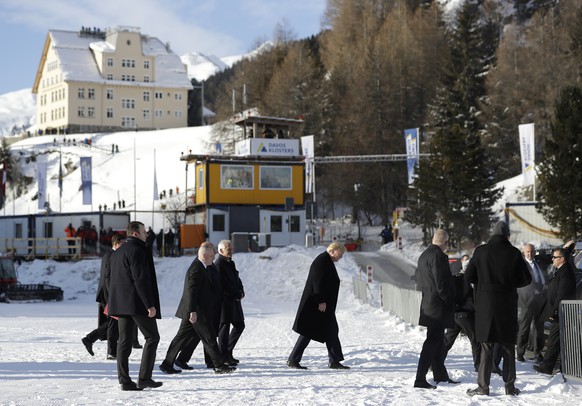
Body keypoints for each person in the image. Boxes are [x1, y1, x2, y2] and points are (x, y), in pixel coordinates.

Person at [465, 221, 531, 397]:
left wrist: (484, 284)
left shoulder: (481, 251)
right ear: (507, 235)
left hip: (486, 306)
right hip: (507, 305)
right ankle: (509, 387)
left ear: (491, 234)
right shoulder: (514, 253)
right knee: (508, 347)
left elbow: (469, 275)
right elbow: (526, 279)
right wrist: (509, 284)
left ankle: (483, 387)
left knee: (486, 347)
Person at [159, 243, 235, 374]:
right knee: (209, 337)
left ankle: (167, 364)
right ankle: (219, 365)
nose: (214, 257)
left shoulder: (203, 266)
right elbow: (191, 292)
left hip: (195, 310)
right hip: (196, 311)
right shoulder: (196, 268)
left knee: (181, 338)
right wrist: (192, 311)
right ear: (205, 255)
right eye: (212, 255)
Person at [107, 221, 162, 391]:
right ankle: (144, 378)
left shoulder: (117, 252)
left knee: (124, 341)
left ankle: (124, 380)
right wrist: (149, 304)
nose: (147, 235)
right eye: (144, 232)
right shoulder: (138, 251)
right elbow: (140, 280)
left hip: (121, 303)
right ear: (136, 233)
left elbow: (111, 280)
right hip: (136, 303)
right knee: (152, 338)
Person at [287, 242, 349, 370]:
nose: (341, 256)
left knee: (328, 331)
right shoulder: (322, 261)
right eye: (340, 253)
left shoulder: (326, 260)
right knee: (311, 331)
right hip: (317, 304)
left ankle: (334, 360)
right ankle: (293, 359)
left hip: (323, 304)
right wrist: (321, 301)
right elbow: (317, 282)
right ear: (333, 250)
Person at [413, 229, 457, 389]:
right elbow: (441, 283)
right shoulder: (438, 256)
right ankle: (420, 379)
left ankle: (440, 376)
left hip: (429, 304)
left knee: (437, 342)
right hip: (438, 306)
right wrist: (450, 300)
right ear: (446, 243)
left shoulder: (424, 254)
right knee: (432, 342)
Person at [533, 246, 576, 375]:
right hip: (558, 312)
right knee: (555, 340)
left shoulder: (566, 273)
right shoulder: (560, 270)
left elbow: (562, 294)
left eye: (555, 257)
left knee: (556, 340)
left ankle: (551, 367)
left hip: (562, 312)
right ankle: (548, 366)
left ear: (562, 259)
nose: (552, 259)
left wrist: (555, 311)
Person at [81, 233, 125, 359]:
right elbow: (108, 278)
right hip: (108, 294)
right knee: (113, 323)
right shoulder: (112, 255)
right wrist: (112, 296)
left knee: (113, 322)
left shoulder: (109, 254)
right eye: (122, 244)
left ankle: (90, 339)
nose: (124, 247)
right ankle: (111, 351)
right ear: (116, 244)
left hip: (107, 294)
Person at [441, 254, 481, 372]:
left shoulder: (456, 278)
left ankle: (434, 362)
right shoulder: (469, 281)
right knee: (476, 339)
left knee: (447, 341)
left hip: (455, 314)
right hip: (466, 315)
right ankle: (479, 366)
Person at [215, 240, 245, 365]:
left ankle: (228, 352)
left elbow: (237, 278)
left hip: (234, 301)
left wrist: (241, 290)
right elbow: (223, 284)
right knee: (224, 330)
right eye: (228, 249)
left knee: (240, 325)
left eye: (231, 248)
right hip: (225, 303)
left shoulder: (230, 263)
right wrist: (236, 294)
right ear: (221, 251)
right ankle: (223, 356)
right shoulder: (219, 264)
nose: (231, 251)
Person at [516, 243, 547, 363]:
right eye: (528, 252)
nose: (530, 254)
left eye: (532, 251)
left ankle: (538, 352)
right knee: (524, 328)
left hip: (540, 300)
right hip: (526, 301)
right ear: (524, 252)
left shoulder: (538, 262)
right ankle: (520, 352)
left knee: (539, 328)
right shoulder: (521, 265)